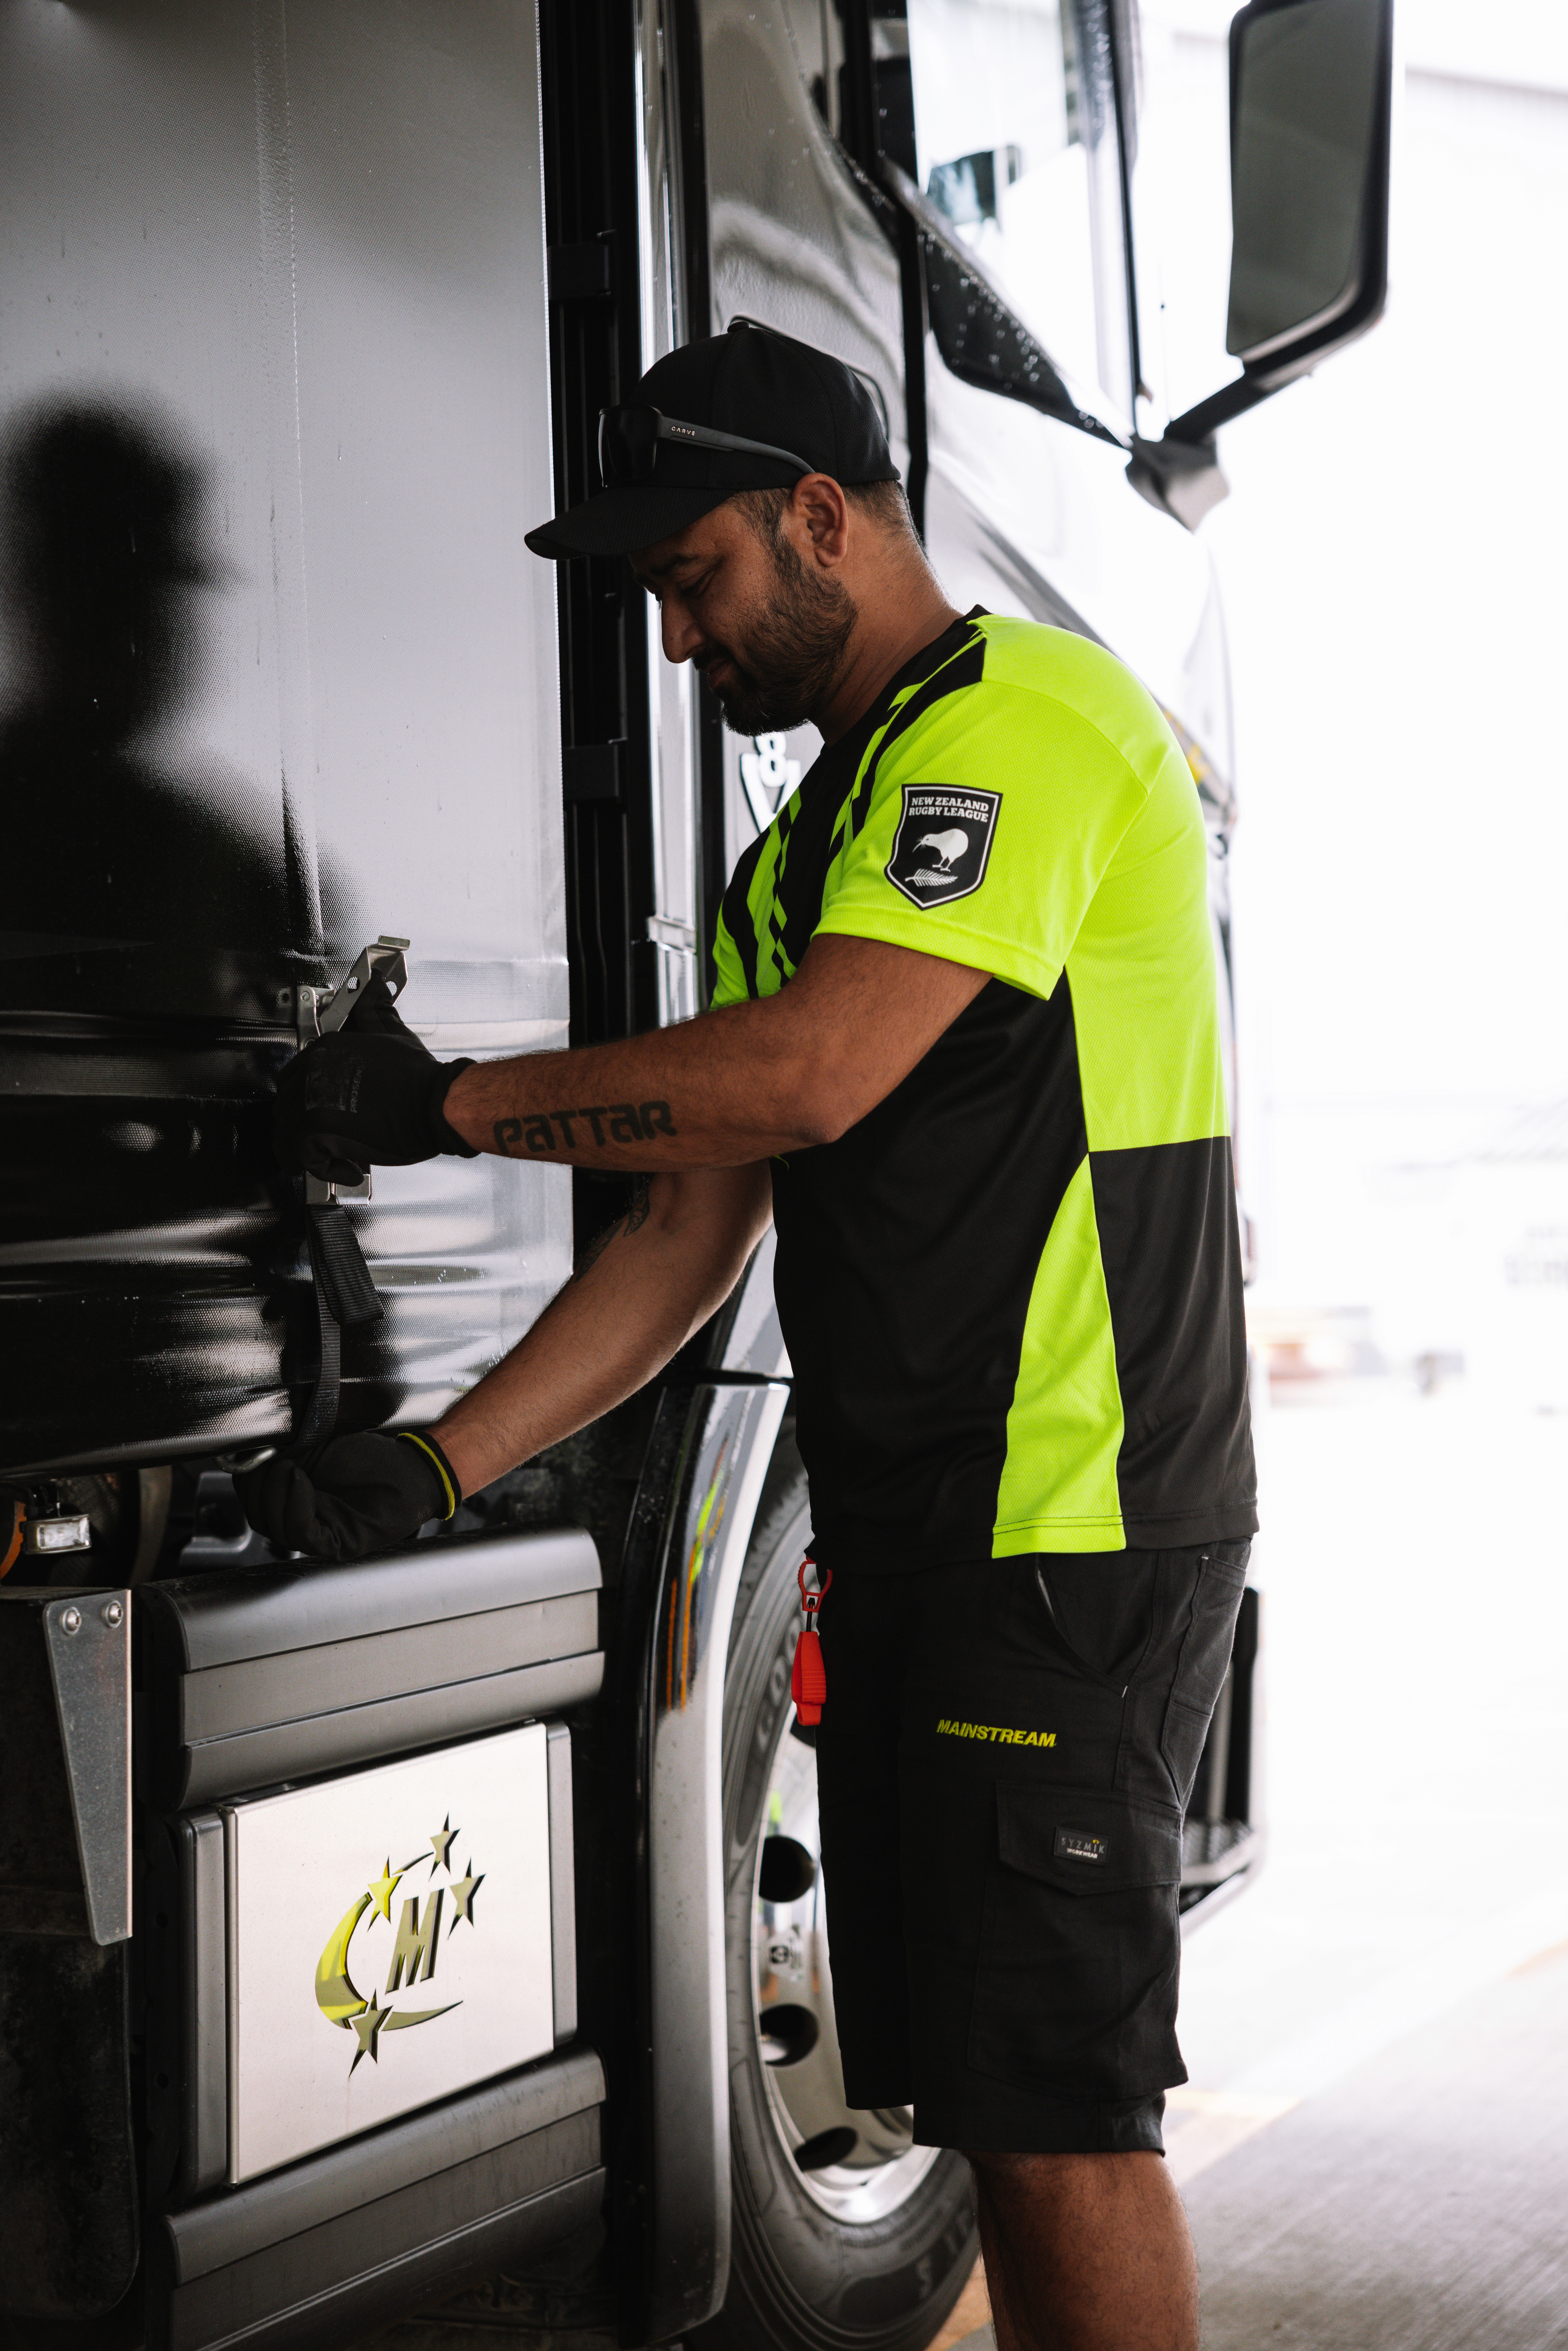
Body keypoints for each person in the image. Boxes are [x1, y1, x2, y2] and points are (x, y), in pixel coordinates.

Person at [243, 322, 1257, 2351]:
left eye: (693, 580)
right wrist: (439, 1455)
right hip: (925, 1531)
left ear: (820, 516)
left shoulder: (1026, 726)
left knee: (1061, 2124)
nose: (681, 643)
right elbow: (694, 1222)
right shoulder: (802, 847)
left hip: (1065, 1525)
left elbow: (805, 1077)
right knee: (985, 2098)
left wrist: (447, 1102)